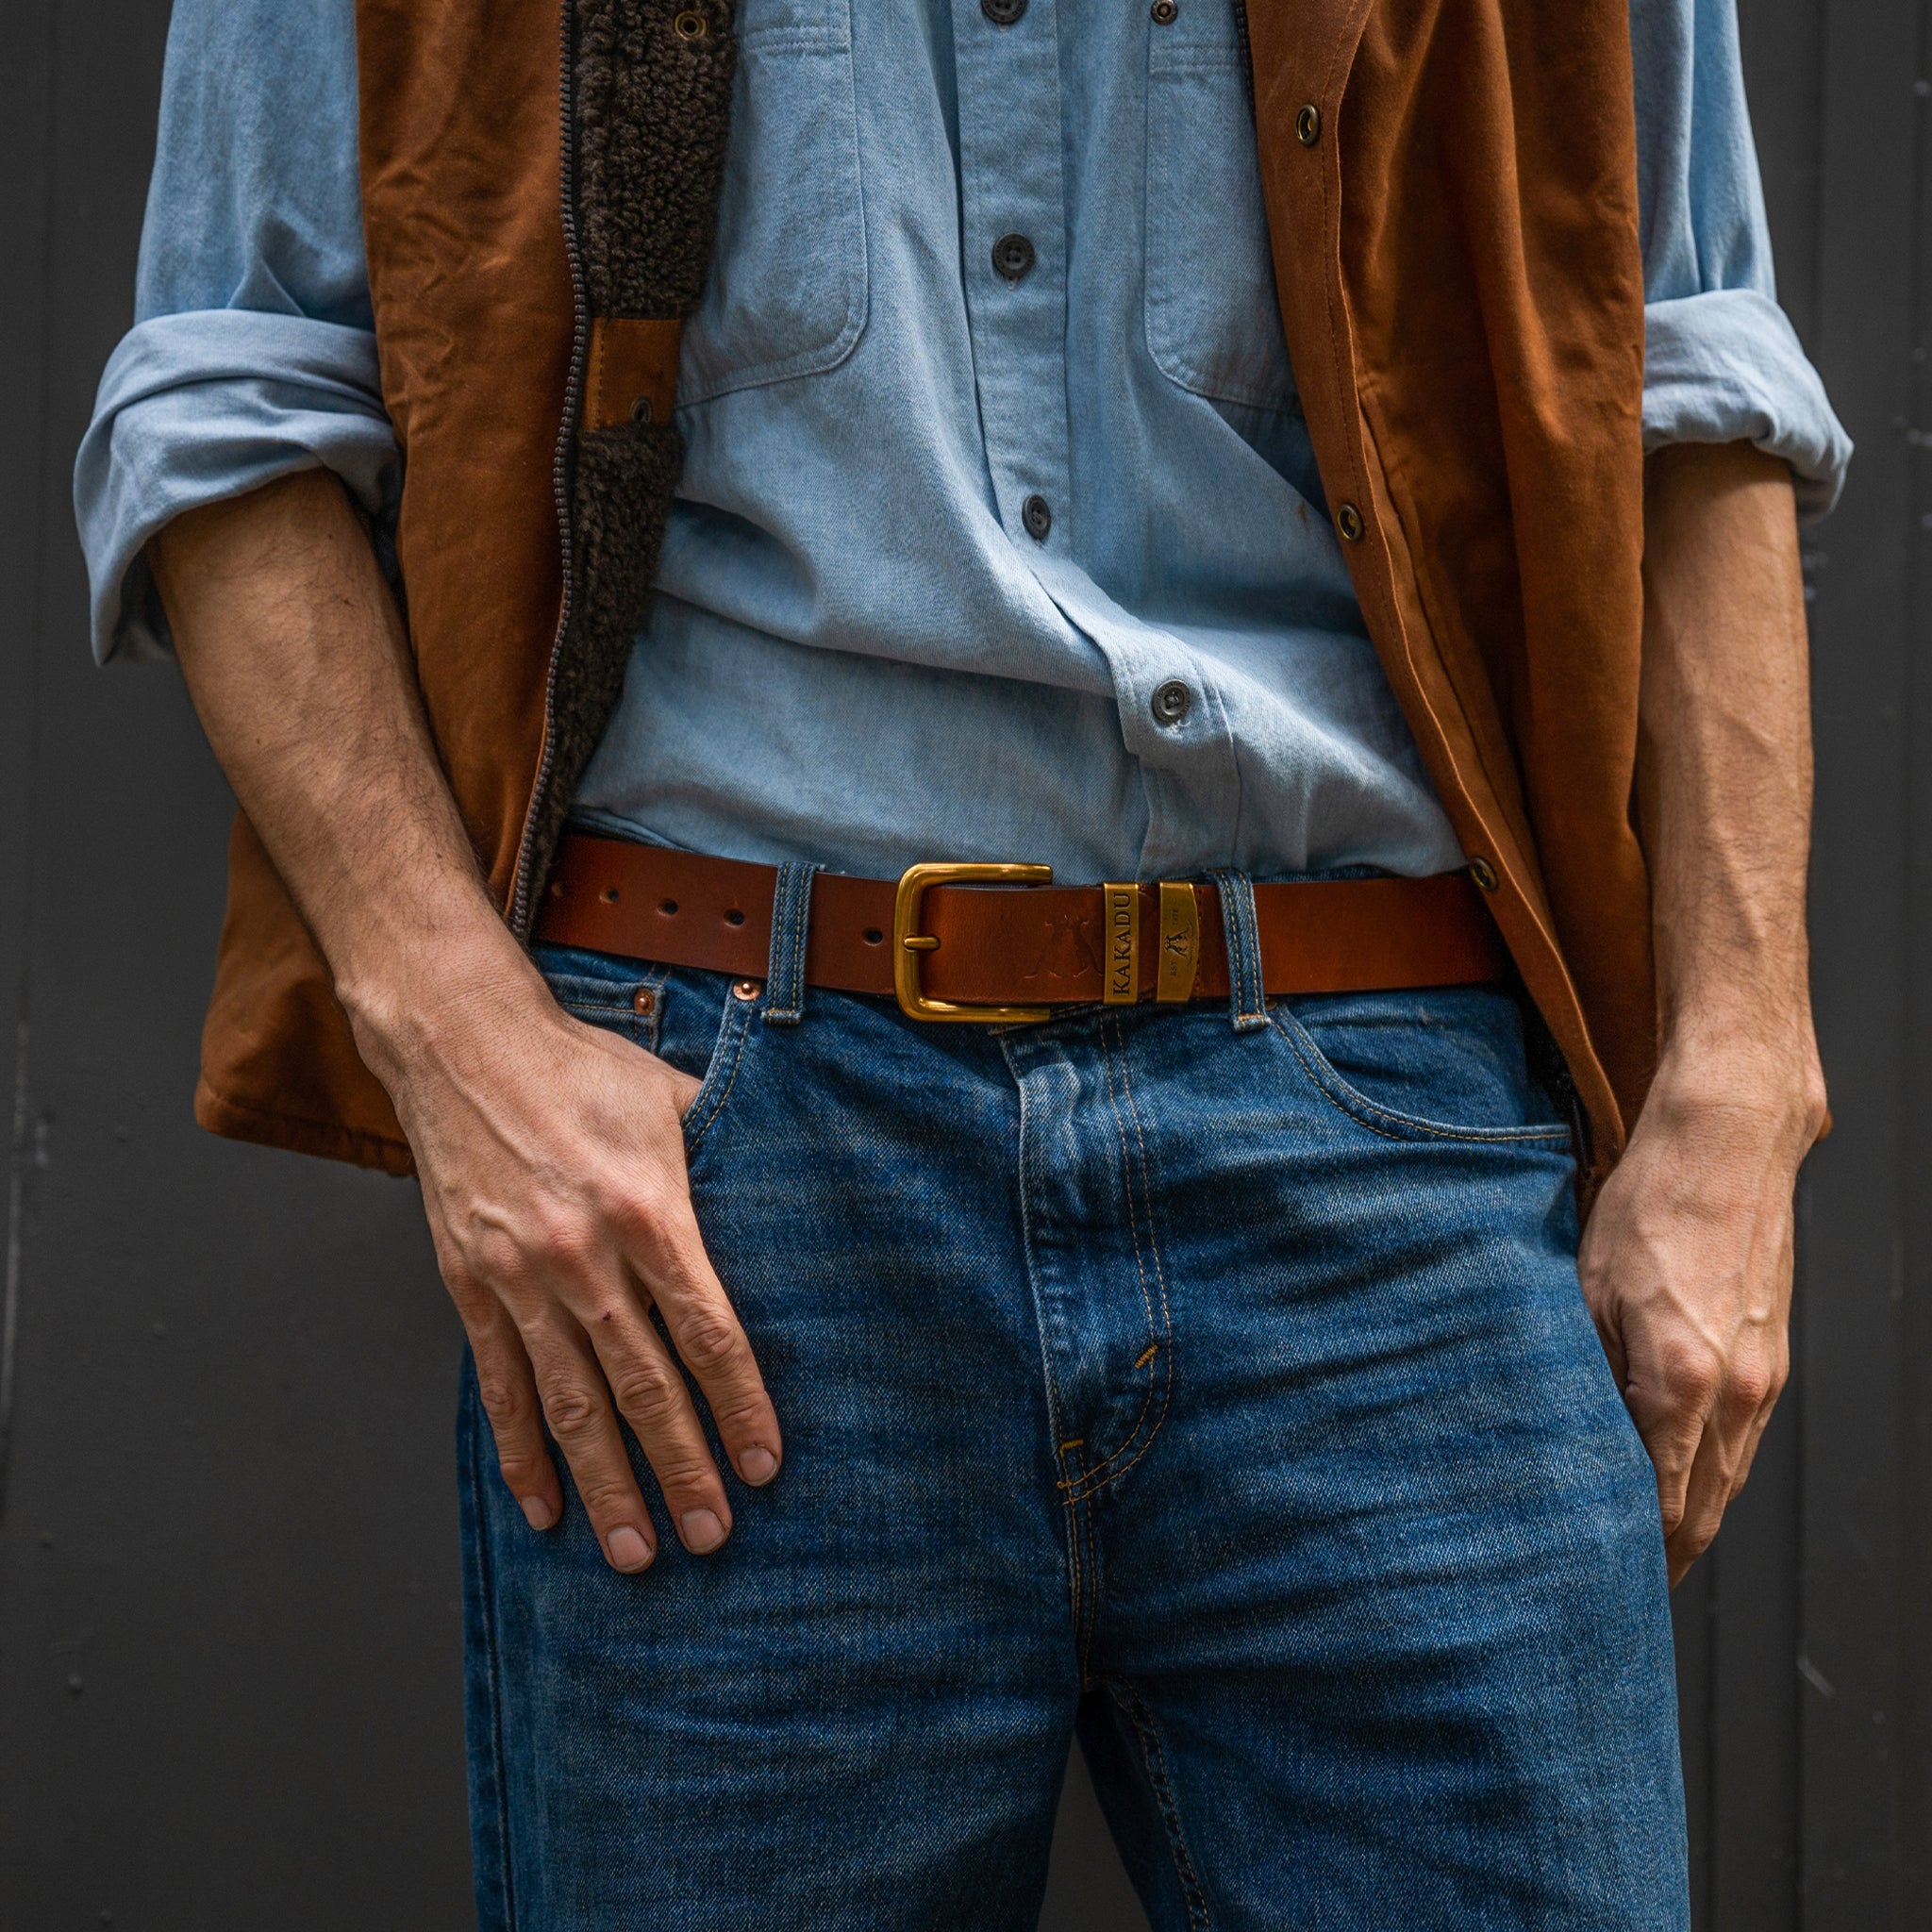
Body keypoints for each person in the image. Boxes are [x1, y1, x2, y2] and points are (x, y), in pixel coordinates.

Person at [75, 0, 1848, 1923]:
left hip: (1378, 1155)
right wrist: (453, 1031)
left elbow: (1691, 373)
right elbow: (228, 402)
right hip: (731, 1187)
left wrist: (1739, 1084)